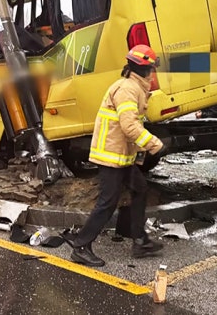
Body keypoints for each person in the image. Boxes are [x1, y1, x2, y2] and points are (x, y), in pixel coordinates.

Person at [65, 44, 167, 267]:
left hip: (122, 156)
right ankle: (81, 246)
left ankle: (139, 239)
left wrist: (140, 153)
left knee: (140, 189)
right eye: (151, 69)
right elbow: (129, 126)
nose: (153, 73)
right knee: (107, 202)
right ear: (144, 69)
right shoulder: (127, 89)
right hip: (111, 157)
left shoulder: (135, 87)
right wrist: (155, 145)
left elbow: (133, 126)